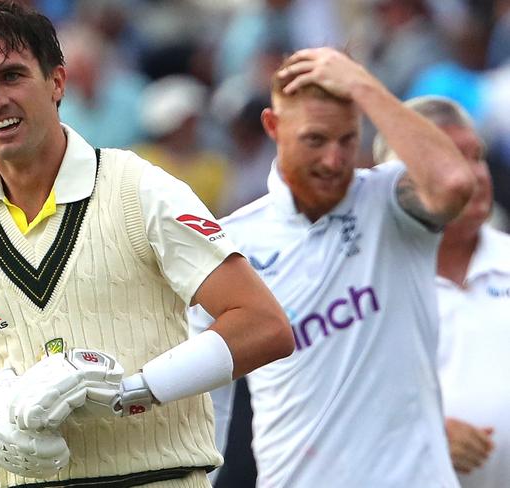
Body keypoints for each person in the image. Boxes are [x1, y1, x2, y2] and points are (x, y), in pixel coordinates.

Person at [0, 2, 294, 487]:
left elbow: (265, 325)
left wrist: (135, 391)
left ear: (57, 82)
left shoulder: (140, 189)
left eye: (12, 76)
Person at [189, 47, 475, 487]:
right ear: (273, 126)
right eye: (315, 140)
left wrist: (364, 85)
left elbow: (454, 183)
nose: (334, 161)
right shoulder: (231, 243)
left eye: (347, 140)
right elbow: (208, 405)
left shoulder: (390, 200)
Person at [374, 95, 510, 488]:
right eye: (451, 157)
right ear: (398, 175)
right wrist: (422, 436)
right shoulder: (367, 282)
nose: (474, 175)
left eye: (476, 155)